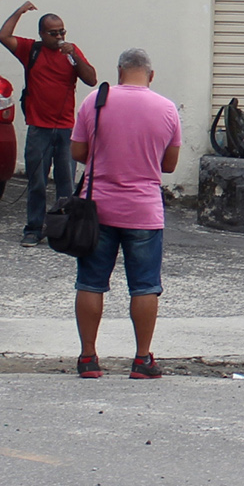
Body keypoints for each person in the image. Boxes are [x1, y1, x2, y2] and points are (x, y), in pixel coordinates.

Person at [70, 48, 181, 380]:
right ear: (150, 75)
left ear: (119, 71)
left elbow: (77, 151)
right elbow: (170, 165)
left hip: (98, 209)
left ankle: (88, 358)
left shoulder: (94, 101)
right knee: (145, 286)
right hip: (144, 211)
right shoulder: (167, 109)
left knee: (90, 283)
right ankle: (142, 360)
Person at [0, 0, 97, 248]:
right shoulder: (31, 50)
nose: (59, 36)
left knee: (65, 184)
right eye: (53, 33)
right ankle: (33, 228)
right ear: (42, 34)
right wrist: (19, 11)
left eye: (62, 31)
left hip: (65, 129)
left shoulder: (71, 53)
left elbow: (91, 79)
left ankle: (62, 229)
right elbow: (3, 36)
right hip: (38, 128)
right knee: (37, 182)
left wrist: (74, 54)